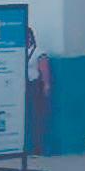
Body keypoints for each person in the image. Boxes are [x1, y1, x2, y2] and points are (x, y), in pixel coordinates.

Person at [25, 24, 53, 156]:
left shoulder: (39, 52)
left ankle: (39, 147)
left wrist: (46, 86)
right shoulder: (20, 51)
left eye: (27, 36)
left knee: (37, 117)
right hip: (24, 86)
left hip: (35, 86)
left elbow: (44, 70)